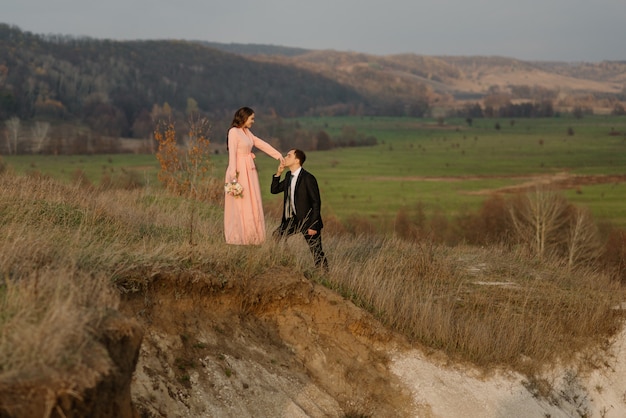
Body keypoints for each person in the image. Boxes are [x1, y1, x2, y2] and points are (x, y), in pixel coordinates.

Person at [224, 107, 284, 245]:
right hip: (239, 171)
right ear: (244, 118)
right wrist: (233, 178)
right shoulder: (234, 132)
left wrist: (278, 155)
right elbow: (232, 155)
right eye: (251, 118)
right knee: (240, 203)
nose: (253, 121)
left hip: (249, 170)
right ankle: (239, 236)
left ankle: (253, 236)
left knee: (253, 201)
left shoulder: (246, 132)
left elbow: (260, 143)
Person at [271, 149, 329, 271]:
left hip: (309, 221)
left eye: (289, 155)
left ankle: (324, 274)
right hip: (293, 220)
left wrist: (313, 225)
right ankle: (283, 263)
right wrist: (278, 173)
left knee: (316, 250)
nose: (285, 157)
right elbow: (274, 190)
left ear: (297, 160)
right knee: (276, 235)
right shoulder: (288, 176)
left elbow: (316, 203)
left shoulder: (308, 178)